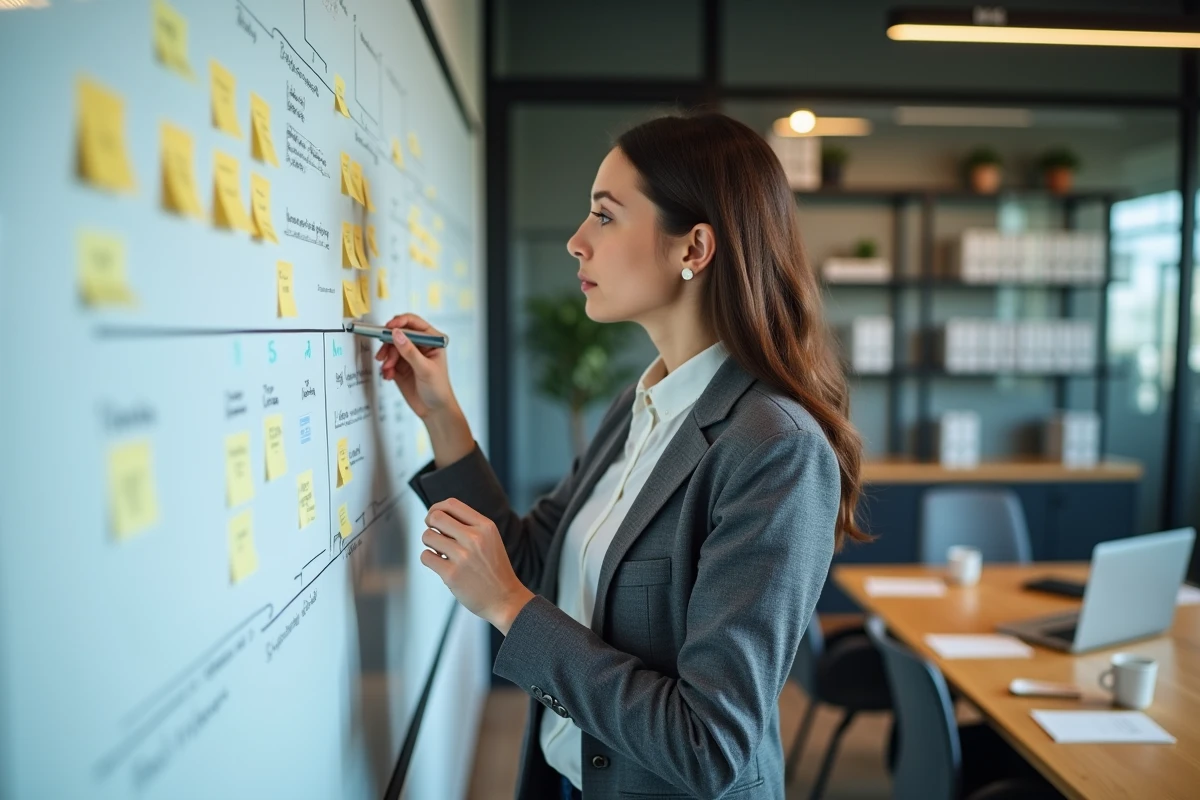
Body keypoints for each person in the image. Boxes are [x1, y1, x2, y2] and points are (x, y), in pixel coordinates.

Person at [375, 113, 867, 800]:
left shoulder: (773, 448)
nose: (577, 243)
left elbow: (709, 743)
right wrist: (441, 415)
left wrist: (513, 610)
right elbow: (533, 564)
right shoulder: (637, 408)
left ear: (693, 247)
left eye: (604, 217)